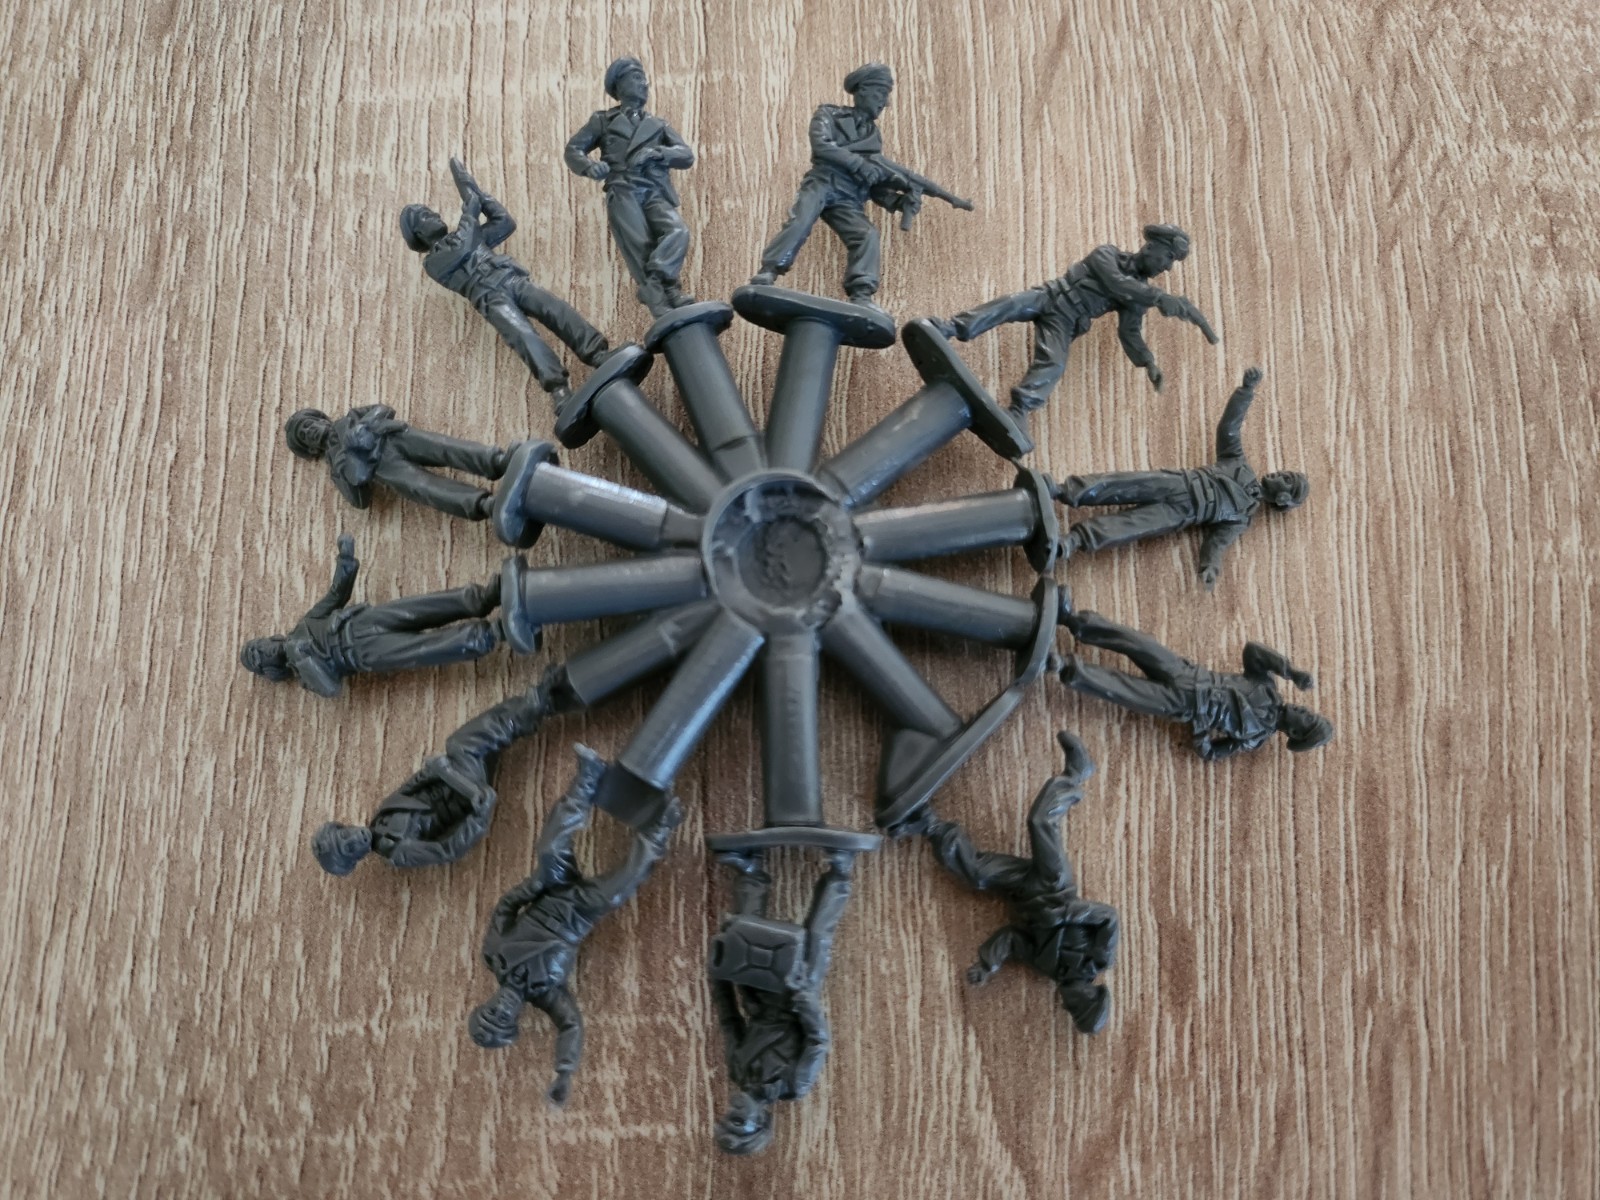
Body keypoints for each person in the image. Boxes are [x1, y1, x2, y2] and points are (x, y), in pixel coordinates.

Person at [468, 747, 682, 1104]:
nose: (501, 1008)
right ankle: (661, 826)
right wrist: (564, 1072)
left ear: (485, 1003)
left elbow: (505, 908)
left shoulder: (493, 955)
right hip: (582, 912)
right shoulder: (548, 995)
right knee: (623, 886)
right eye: (503, 1018)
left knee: (550, 846)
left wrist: (533, 885)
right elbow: (570, 1026)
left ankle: (588, 776)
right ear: (514, 1019)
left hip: (550, 890)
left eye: (492, 1011)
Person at [917, 730, 1119, 1034]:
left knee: (976, 872)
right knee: (1041, 822)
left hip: (1023, 892)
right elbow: (1108, 917)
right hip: (1055, 886)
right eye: (1075, 1007)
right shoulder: (1098, 959)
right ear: (1089, 996)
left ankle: (928, 823)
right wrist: (1066, 914)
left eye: (1069, 1011)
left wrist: (987, 965)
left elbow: (1012, 939)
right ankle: (1076, 773)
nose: (1066, 1005)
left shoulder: (1045, 966)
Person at [932, 224, 1217, 421]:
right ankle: (951, 328)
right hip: (1050, 295)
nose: (1167, 267)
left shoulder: (1139, 298)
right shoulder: (1107, 253)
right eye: (1168, 257)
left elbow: (1129, 331)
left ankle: (1019, 410)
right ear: (1152, 246)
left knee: (1054, 364)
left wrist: (1147, 362)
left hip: (1065, 321)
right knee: (1009, 303)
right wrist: (1159, 297)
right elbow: (1116, 283)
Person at [1056, 368, 1310, 587]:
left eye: (1286, 480)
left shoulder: (1241, 518)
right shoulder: (1238, 463)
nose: (1280, 473)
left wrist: (1210, 566)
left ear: (1283, 499)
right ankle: (1064, 490)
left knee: (1133, 525)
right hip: (1179, 482)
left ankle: (1073, 541)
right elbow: (1228, 429)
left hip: (1183, 513)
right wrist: (1245, 391)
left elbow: (1217, 543)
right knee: (1123, 483)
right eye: (1285, 472)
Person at [400, 157, 609, 402]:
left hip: (509, 278)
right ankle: (558, 389)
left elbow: (504, 223)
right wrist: (470, 207)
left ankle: (596, 353)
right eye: (426, 215)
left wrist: (479, 195)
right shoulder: (433, 262)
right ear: (418, 232)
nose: (434, 214)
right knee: (524, 337)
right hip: (490, 297)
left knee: (555, 308)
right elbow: (463, 247)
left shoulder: (470, 234)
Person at [310, 686, 551, 875]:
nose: (355, 838)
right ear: (357, 857)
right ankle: (529, 709)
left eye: (345, 835)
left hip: (453, 775)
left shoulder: (382, 815)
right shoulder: (396, 851)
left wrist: (438, 768)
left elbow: (415, 784)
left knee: (482, 744)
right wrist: (478, 818)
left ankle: (532, 706)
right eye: (350, 847)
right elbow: (447, 850)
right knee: (461, 745)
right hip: (467, 796)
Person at [709, 849, 855, 1155]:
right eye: (739, 1120)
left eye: (727, 1116)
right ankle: (839, 873)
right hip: (795, 998)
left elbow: (730, 1020)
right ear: (760, 1120)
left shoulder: (738, 1070)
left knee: (742, 933)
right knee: (816, 936)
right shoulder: (793, 1084)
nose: (733, 1109)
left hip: (756, 996)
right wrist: (805, 1000)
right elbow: (818, 1041)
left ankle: (751, 872)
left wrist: (717, 976)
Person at [238, 536, 500, 698]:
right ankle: (491, 634)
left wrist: (345, 561)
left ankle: (482, 598)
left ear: (270, 637)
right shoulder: (304, 676)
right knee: (425, 648)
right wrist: (302, 658)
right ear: (269, 670)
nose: (263, 650)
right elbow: (331, 688)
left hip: (362, 621)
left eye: (259, 645)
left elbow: (335, 596)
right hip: (362, 654)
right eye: (258, 657)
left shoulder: (305, 624)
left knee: (423, 607)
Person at [1059, 610, 1334, 759]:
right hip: (1191, 674)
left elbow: (1211, 753)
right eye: (1310, 712)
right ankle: (1073, 620)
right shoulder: (1267, 686)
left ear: (1295, 732)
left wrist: (1200, 732)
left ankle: (1064, 667)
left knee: (1123, 690)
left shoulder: (1254, 738)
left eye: (1307, 718)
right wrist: (1290, 671)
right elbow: (1252, 651)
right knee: (1139, 643)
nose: (1304, 710)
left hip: (1186, 706)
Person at [750, 63, 908, 308]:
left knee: (867, 235)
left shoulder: (873, 135)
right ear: (862, 90)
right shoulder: (828, 115)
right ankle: (769, 270)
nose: (884, 102)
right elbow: (821, 145)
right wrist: (858, 163)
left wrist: (896, 200)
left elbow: (872, 181)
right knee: (800, 220)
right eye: (880, 93)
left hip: (849, 196)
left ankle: (862, 292)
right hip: (823, 183)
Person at [565, 57, 696, 315]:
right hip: (623, 189)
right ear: (619, 85)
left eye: (644, 79)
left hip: (654, 191)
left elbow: (686, 155)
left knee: (678, 231)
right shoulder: (602, 121)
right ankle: (663, 297)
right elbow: (573, 149)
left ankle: (657, 282)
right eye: (637, 78)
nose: (644, 84)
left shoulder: (658, 124)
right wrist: (590, 167)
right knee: (641, 245)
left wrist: (657, 153)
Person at [283, 404, 517, 522]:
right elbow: (360, 501)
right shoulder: (336, 468)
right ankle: (483, 504)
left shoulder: (350, 417)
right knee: (425, 488)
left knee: (445, 447)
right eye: (304, 436)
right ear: (311, 449)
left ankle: (497, 460)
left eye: (308, 425)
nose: (309, 431)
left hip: (394, 438)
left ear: (321, 419)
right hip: (385, 469)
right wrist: (350, 471)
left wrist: (363, 426)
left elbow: (384, 409)